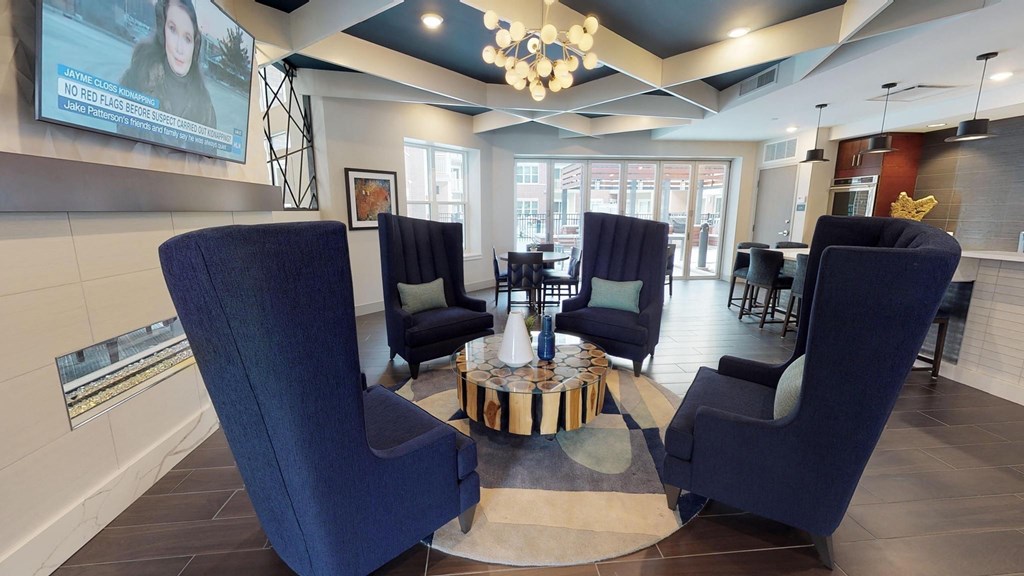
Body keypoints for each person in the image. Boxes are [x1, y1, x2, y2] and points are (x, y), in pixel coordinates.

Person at [119, 0, 217, 136]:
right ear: (162, 32)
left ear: (195, 45)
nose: (179, 48)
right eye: (173, 29)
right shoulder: (138, 77)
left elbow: (209, 149)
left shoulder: (205, 106)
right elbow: (123, 139)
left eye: (187, 38)